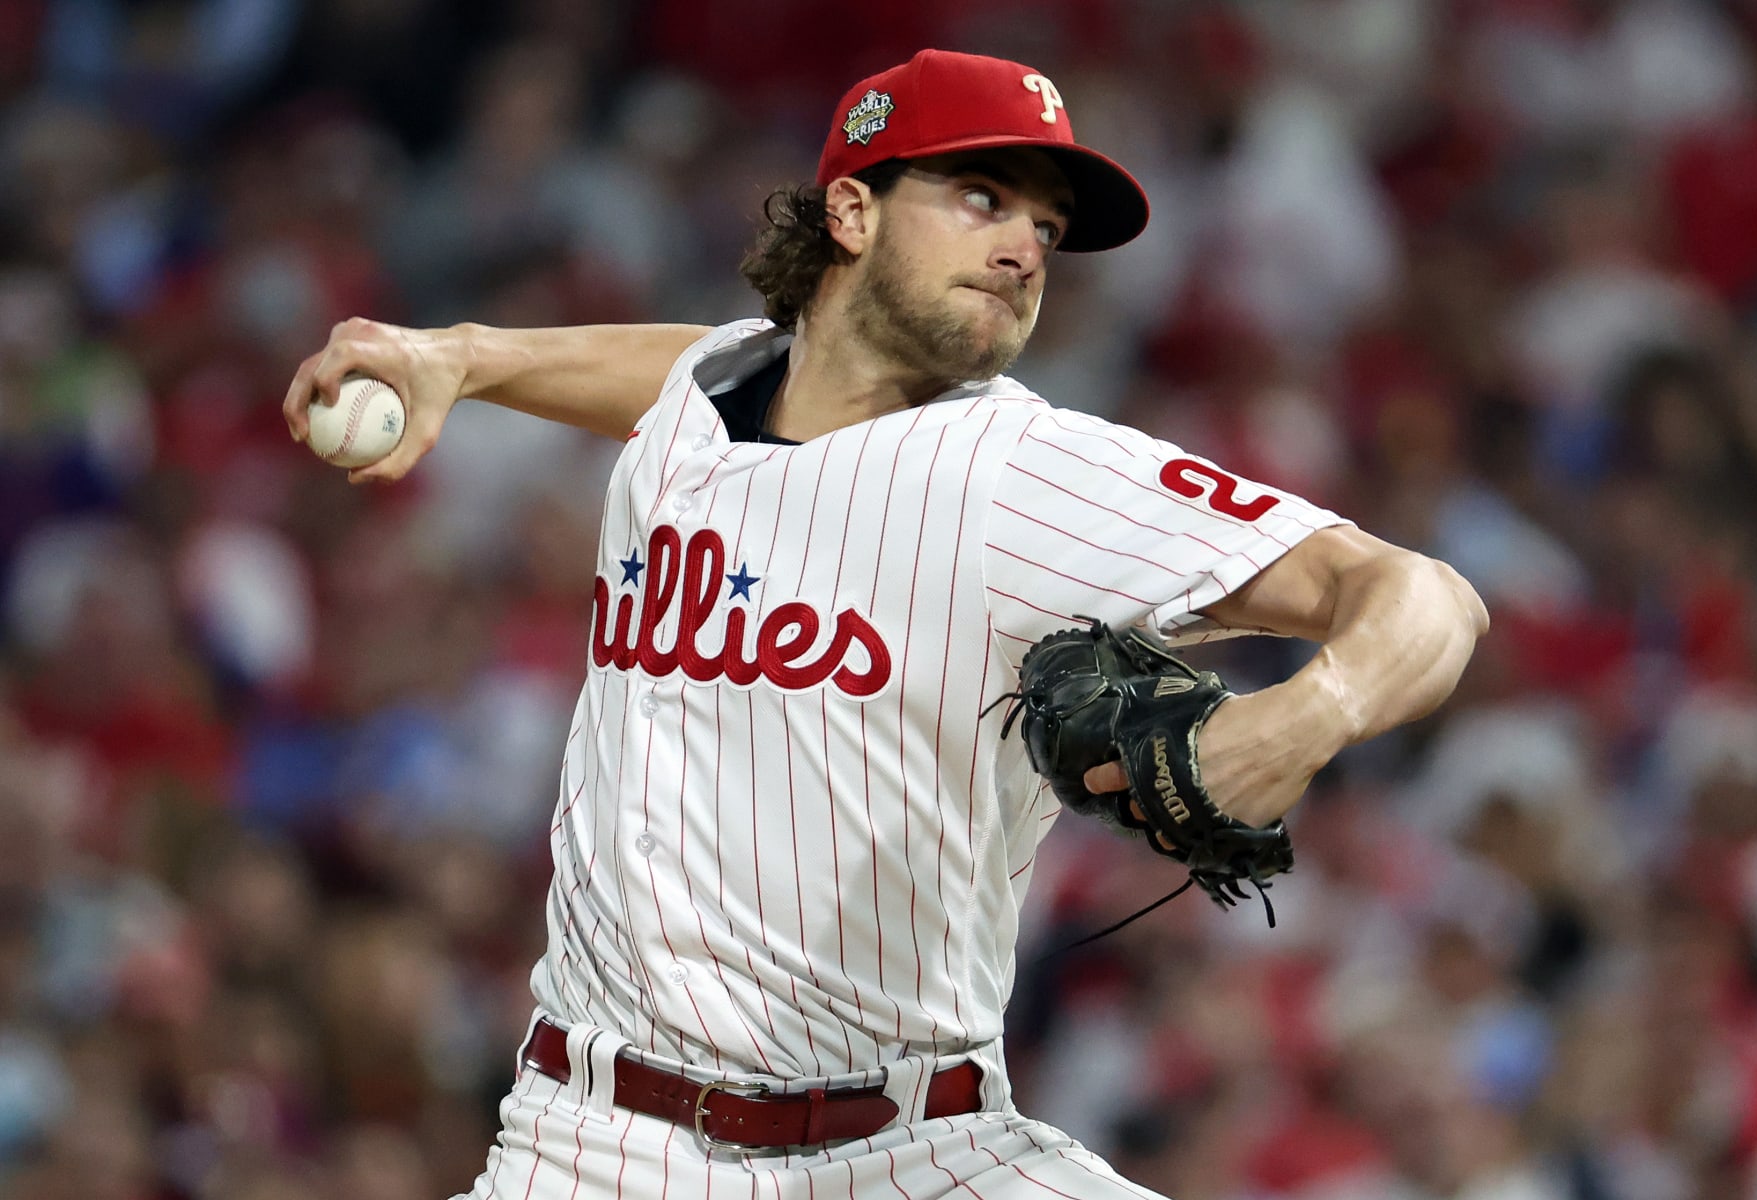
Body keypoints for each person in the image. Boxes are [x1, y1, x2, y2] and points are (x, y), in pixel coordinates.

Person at [284, 49, 1488, 1200]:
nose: (1025, 247)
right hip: (591, 1144)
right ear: (852, 213)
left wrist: (1308, 716)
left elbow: (1425, 596)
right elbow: (685, 374)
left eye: (1047, 230)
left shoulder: (1028, 474)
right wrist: (464, 354)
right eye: (981, 197)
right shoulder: (703, 400)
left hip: (918, 1149)